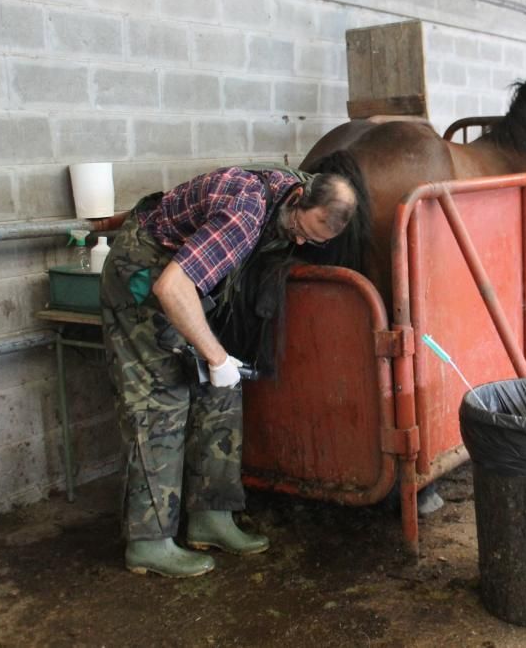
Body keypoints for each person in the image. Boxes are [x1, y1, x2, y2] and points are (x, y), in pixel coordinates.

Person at [100, 164, 359, 577]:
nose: (297, 240)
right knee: (160, 400)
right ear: (299, 199)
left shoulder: (288, 190)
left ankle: (211, 516)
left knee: (220, 393)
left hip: (187, 283)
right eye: (301, 230)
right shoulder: (247, 211)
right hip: (144, 279)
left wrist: (218, 361)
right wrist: (217, 358)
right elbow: (171, 288)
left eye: (311, 242)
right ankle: (149, 542)